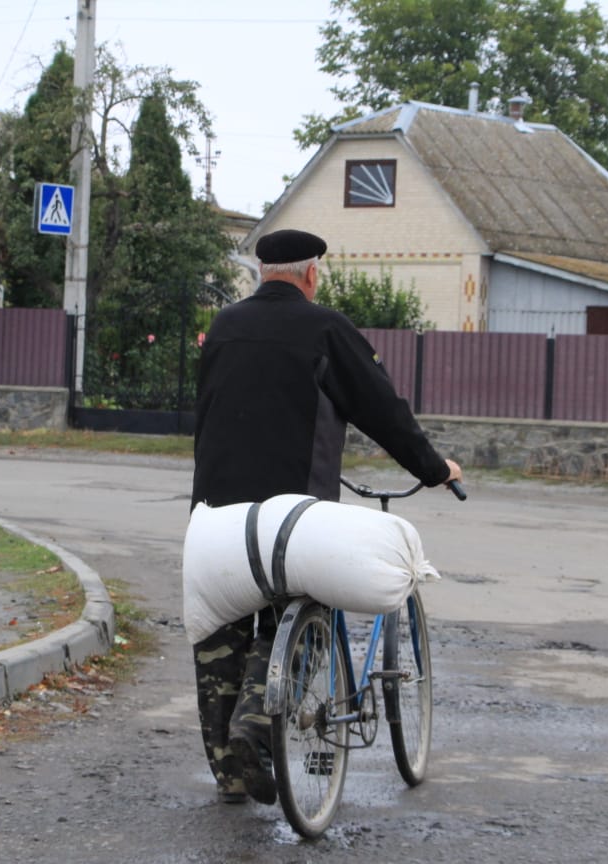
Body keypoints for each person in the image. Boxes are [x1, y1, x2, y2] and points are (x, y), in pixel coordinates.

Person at [189, 228, 462, 805]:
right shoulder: (326, 329)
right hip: (292, 518)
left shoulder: (223, 326)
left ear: (261, 273)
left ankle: (229, 774)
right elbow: (383, 412)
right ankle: (254, 728)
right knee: (301, 612)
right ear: (312, 274)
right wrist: (435, 468)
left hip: (214, 516)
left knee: (220, 633)